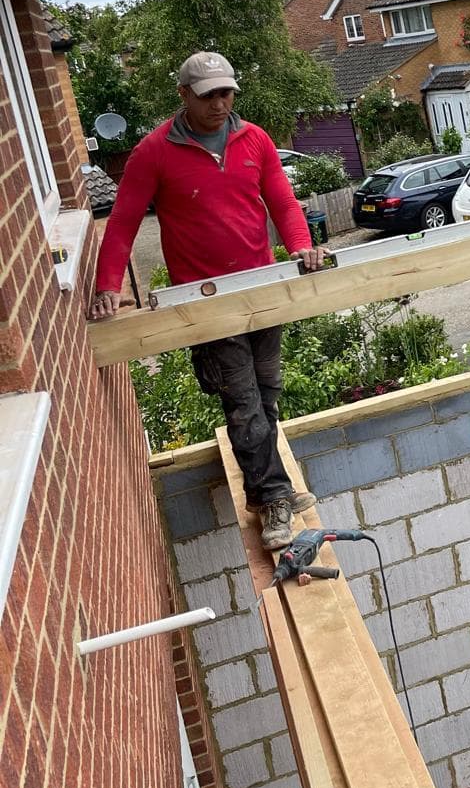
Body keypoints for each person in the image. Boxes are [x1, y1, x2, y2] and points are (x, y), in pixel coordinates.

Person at [89, 51, 323, 550]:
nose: (220, 103)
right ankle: (274, 501)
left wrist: (301, 246)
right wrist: (109, 285)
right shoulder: (154, 152)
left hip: (262, 288)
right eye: (208, 95)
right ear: (184, 96)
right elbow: (125, 221)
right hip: (207, 301)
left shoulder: (254, 139)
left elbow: (281, 199)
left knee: (267, 393)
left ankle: (267, 489)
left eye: (226, 92)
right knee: (242, 403)